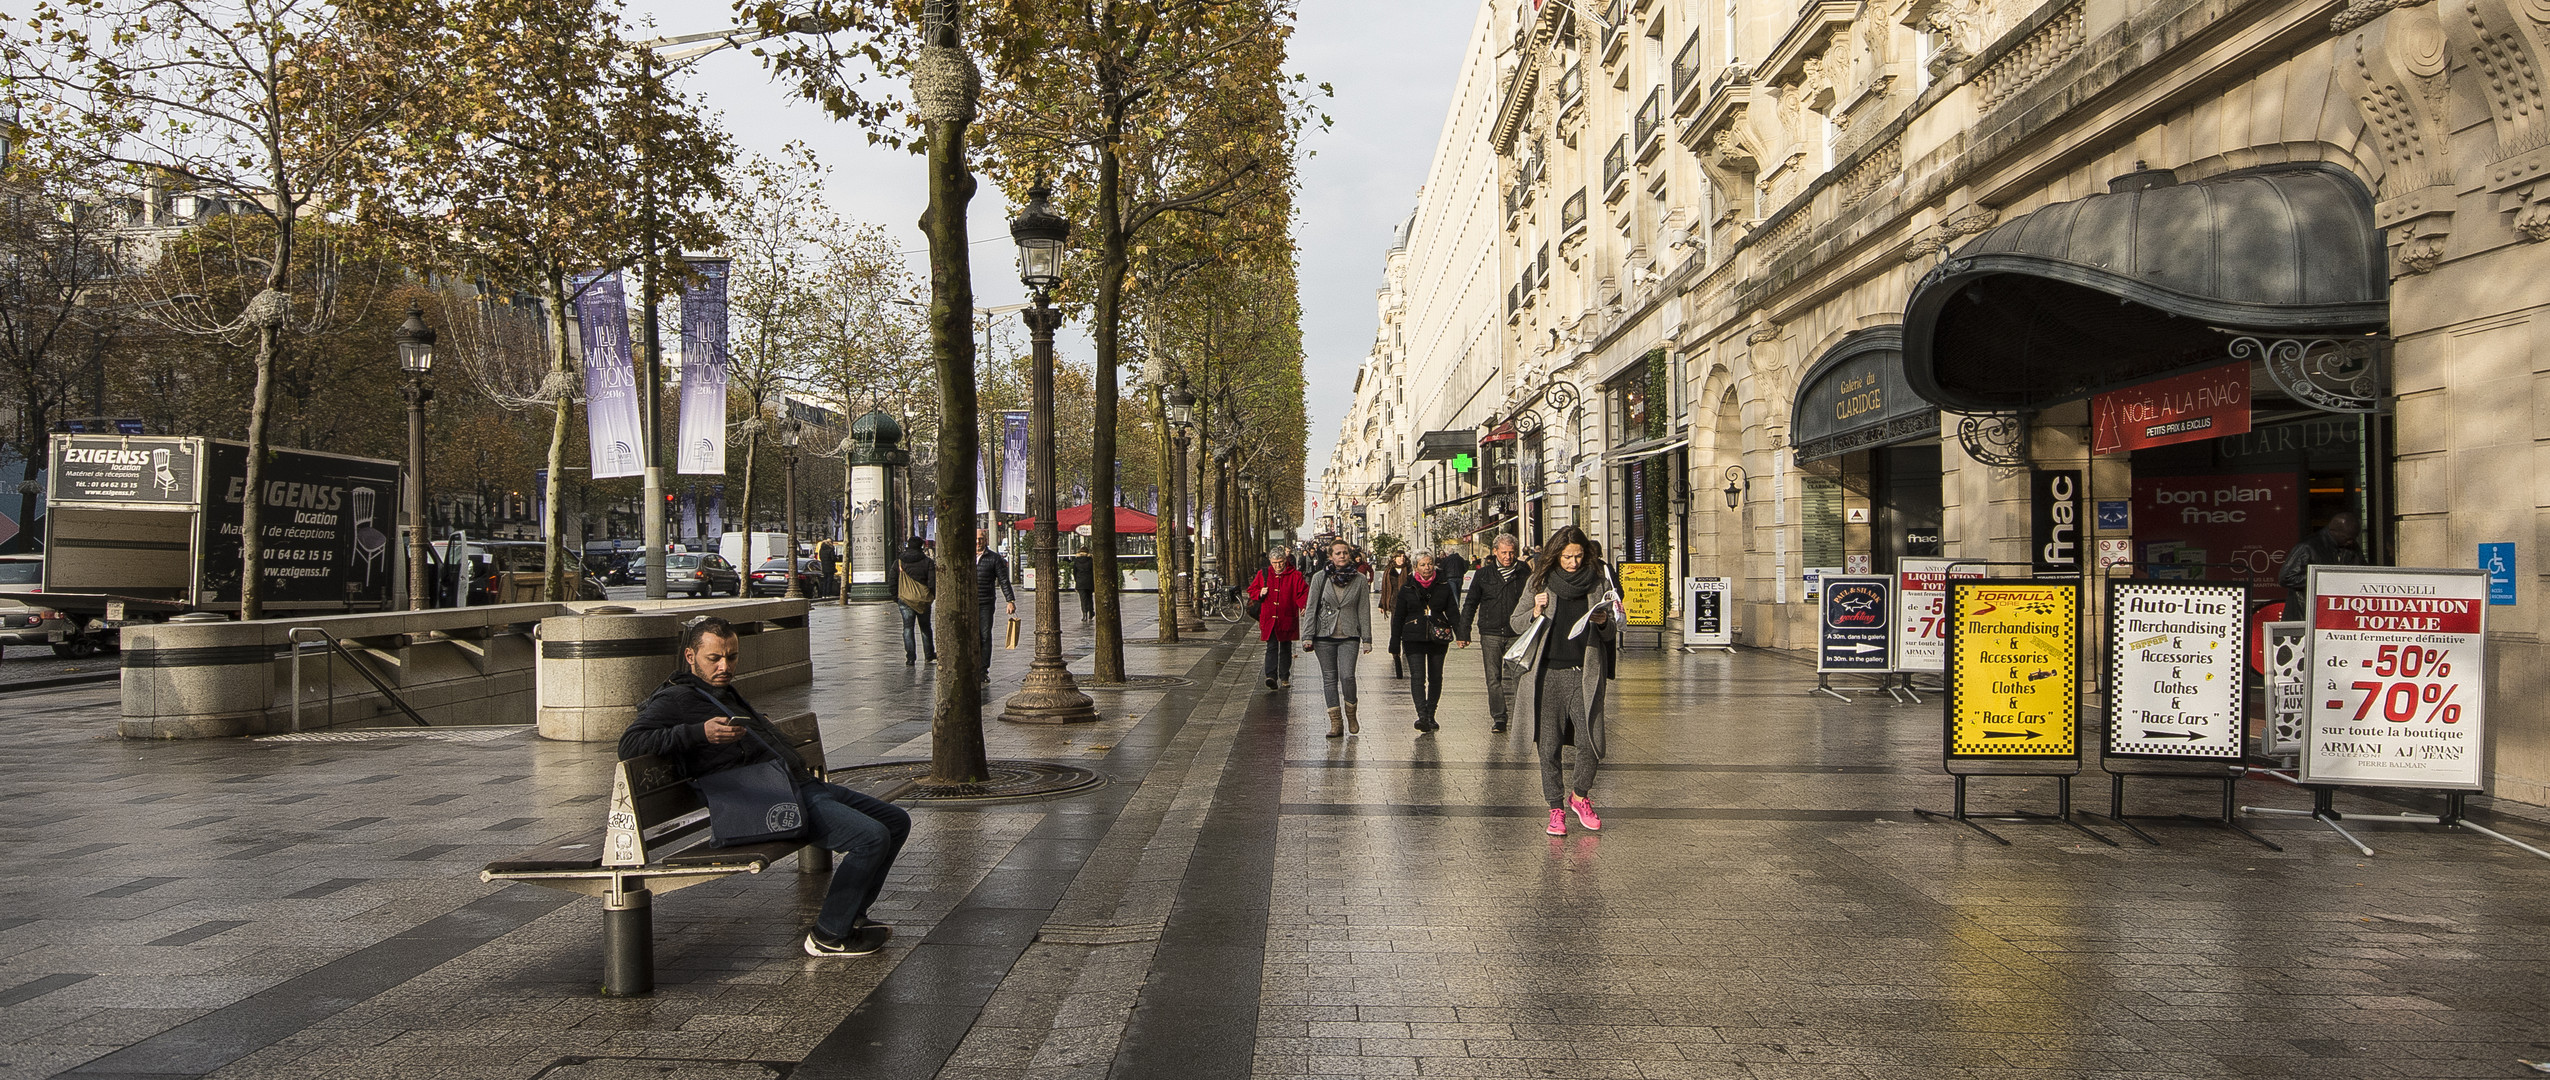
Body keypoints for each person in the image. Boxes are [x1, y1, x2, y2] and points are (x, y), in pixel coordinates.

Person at [620, 616, 911, 957]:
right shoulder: (676, 699)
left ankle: (852, 916)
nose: (724, 666)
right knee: (870, 837)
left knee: (895, 821)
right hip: (765, 798)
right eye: (714, 658)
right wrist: (699, 733)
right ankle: (830, 934)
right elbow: (630, 744)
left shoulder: (720, 692)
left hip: (795, 784)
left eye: (731, 657)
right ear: (690, 656)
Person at [1509, 525, 1615, 836]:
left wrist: (1604, 620)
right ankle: (1555, 808)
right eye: (1568, 556)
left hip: (1584, 674)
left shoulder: (1597, 583)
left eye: (1579, 556)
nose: (1573, 562)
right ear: (1556, 555)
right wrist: (1535, 610)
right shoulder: (1540, 581)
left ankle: (1579, 796)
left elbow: (1611, 634)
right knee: (1549, 747)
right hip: (1546, 676)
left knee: (1591, 742)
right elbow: (1515, 623)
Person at [1300, 540, 1373, 736]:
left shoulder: (1359, 579)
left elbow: (1364, 610)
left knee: (1347, 676)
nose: (1342, 556)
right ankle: (1336, 722)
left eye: (1345, 553)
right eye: (1338, 553)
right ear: (1330, 556)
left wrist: (1367, 639)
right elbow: (1311, 608)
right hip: (1324, 635)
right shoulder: (1319, 578)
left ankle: (1351, 713)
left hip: (1350, 634)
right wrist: (1307, 636)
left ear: (1350, 555)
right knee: (1330, 679)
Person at [1459, 534, 1531, 732]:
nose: (1508, 556)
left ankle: (1523, 717)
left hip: (1517, 633)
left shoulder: (1524, 572)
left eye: (1511, 552)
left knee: (1521, 677)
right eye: (1504, 552)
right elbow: (1471, 603)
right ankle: (1499, 718)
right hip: (1490, 632)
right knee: (1493, 678)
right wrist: (1463, 632)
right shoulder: (1484, 574)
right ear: (1495, 552)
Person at [1391, 551, 1464, 732]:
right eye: (1422, 565)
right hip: (1413, 636)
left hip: (1438, 636)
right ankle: (1422, 716)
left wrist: (1462, 634)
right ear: (1415, 567)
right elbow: (1399, 616)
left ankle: (1431, 714)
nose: (1427, 568)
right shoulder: (1407, 588)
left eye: (1429, 564)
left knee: (1435, 677)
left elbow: (1453, 612)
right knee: (1417, 677)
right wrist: (1394, 641)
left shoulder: (1443, 585)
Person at [1246, 547, 1310, 690]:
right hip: (1270, 618)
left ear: (1285, 560)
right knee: (1272, 646)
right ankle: (1271, 676)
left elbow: (1303, 592)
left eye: (1280, 562)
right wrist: (1259, 592)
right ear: (1270, 561)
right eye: (1274, 563)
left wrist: (1303, 605)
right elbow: (1251, 590)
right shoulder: (1263, 574)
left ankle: (1284, 676)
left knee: (1286, 647)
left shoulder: (1295, 575)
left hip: (1287, 617)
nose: (1278, 566)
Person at [2278, 509, 2363, 613]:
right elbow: (2286, 578)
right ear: (2333, 531)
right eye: (2347, 538)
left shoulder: (2351, 547)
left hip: (2335, 610)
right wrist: (2322, 579)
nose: (2350, 542)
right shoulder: (2308, 547)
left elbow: (2362, 571)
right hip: (2307, 611)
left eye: (2354, 538)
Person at [974, 530, 1015, 683]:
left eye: (980, 539)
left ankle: (983, 670)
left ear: (985, 540)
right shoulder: (965, 557)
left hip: (986, 602)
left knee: (984, 636)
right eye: (975, 539)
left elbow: (1003, 580)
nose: (978, 542)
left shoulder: (993, 558)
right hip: (967, 603)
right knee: (970, 636)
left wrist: (1010, 600)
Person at [896, 537, 936, 666]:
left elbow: (892, 579)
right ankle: (929, 654)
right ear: (921, 547)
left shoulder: (900, 562)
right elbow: (932, 582)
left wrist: (896, 597)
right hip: (923, 600)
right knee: (925, 627)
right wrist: (931, 596)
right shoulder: (927, 562)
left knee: (907, 628)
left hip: (905, 599)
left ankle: (910, 657)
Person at [1379, 552, 1411, 678]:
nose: (1401, 559)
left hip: (1408, 603)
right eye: (1399, 557)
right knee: (1395, 628)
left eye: (1403, 557)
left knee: (1407, 627)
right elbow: (1385, 588)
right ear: (1394, 558)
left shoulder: (1408, 570)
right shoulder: (1389, 571)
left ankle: (1407, 649)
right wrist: (1382, 604)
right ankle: (1395, 650)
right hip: (1394, 603)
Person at [1070, 549, 1096, 622]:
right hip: (1089, 581)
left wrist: (1077, 580)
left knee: (1083, 599)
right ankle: (1091, 612)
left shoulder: (1076, 561)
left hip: (1080, 582)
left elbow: (1074, 572)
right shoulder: (1091, 560)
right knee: (1089, 598)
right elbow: (1093, 571)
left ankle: (1084, 615)